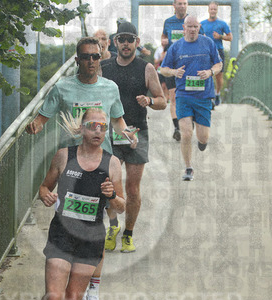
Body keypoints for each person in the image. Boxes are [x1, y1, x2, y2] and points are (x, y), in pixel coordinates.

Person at [22, 109, 125, 300]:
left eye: (103, 127)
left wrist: (112, 196)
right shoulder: (63, 156)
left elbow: (121, 206)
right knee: (54, 297)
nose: (98, 131)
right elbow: (44, 187)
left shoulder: (113, 163)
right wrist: (45, 195)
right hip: (62, 234)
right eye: (92, 125)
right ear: (81, 129)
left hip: (91, 239)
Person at [100, 21, 166, 255]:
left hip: (138, 133)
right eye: (122, 39)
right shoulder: (104, 67)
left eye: (130, 39)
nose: (126, 44)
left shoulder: (146, 68)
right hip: (110, 134)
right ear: (115, 42)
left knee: (133, 189)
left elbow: (162, 101)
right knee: (109, 185)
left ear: (137, 43)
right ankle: (113, 227)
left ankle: (128, 234)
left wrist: (149, 101)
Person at [26, 36, 137, 154]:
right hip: (71, 158)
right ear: (77, 60)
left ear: (100, 59)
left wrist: (127, 134)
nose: (91, 61)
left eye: (95, 56)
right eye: (85, 57)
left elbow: (117, 120)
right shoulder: (61, 87)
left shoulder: (111, 88)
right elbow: (41, 119)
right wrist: (35, 126)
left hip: (102, 157)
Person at [161, 15, 222, 181]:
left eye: (196, 27)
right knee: (186, 133)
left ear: (199, 28)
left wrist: (210, 72)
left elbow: (219, 64)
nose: (193, 30)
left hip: (203, 96)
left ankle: (202, 139)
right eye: (190, 27)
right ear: (184, 28)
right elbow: (163, 69)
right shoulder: (176, 46)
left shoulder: (208, 43)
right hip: (184, 95)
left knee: (203, 138)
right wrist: (174, 72)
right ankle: (188, 168)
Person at [162, 0, 203, 142]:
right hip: (172, 64)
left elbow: (203, 40)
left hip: (190, 65)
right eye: (179, 3)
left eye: (185, 3)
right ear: (174, 5)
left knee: (190, 97)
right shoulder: (168, 22)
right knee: (173, 97)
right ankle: (177, 128)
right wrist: (164, 41)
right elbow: (164, 36)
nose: (182, 6)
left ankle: (190, 118)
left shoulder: (193, 22)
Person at [200, 1, 232, 106]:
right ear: (208, 10)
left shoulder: (222, 24)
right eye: (211, 9)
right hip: (206, 52)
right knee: (207, 74)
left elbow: (230, 37)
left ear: (217, 10)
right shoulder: (202, 24)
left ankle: (217, 94)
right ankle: (210, 96)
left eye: (215, 9)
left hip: (218, 51)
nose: (213, 11)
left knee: (219, 76)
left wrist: (220, 36)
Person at [154, 33, 170, 101]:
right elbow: (155, 61)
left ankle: (167, 97)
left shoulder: (170, 48)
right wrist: (161, 58)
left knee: (167, 84)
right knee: (162, 84)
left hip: (168, 68)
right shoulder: (159, 49)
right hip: (160, 68)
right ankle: (163, 97)